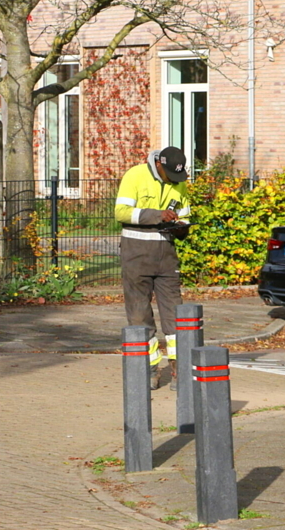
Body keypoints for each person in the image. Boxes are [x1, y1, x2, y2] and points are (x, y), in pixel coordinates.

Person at [114, 146, 191, 389]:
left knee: (175, 314)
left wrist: (181, 227)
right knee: (139, 314)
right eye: (171, 175)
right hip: (136, 253)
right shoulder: (135, 175)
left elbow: (185, 216)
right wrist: (157, 215)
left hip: (166, 256)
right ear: (159, 164)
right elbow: (121, 213)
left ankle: (180, 370)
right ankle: (150, 369)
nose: (174, 181)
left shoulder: (179, 183)